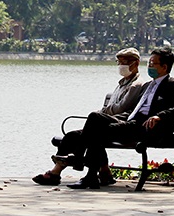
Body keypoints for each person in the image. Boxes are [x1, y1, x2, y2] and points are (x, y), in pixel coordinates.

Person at [50, 47, 174, 190]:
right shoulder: (148, 85)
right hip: (131, 123)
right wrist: (117, 119)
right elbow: (134, 111)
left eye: (153, 63)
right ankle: (89, 175)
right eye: (149, 63)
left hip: (146, 129)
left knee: (95, 123)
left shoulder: (173, 84)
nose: (149, 66)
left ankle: (83, 166)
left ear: (164, 67)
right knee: (95, 122)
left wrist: (160, 116)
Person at [31, 47, 148, 186]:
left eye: (124, 62)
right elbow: (111, 108)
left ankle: (79, 159)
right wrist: (102, 113)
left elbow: (120, 108)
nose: (121, 66)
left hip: (121, 124)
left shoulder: (137, 85)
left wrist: (100, 113)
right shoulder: (122, 84)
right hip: (106, 123)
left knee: (94, 124)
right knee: (72, 136)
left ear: (135, 63)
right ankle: (57, 173)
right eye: (119, 62)